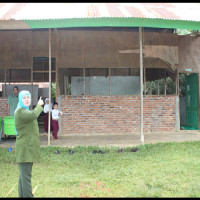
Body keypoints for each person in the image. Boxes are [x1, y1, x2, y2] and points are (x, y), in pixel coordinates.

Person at [14, 90, 44, 198]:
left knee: (23, 177)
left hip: (26, 148)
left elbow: (31, 115)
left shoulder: (24, 110)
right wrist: (39, 105)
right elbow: (33, 115)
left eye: (28, 97)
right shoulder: (20, 111)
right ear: (20, 99)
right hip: (25, 149)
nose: (26, 100)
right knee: (26, 178)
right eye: (24, 98)